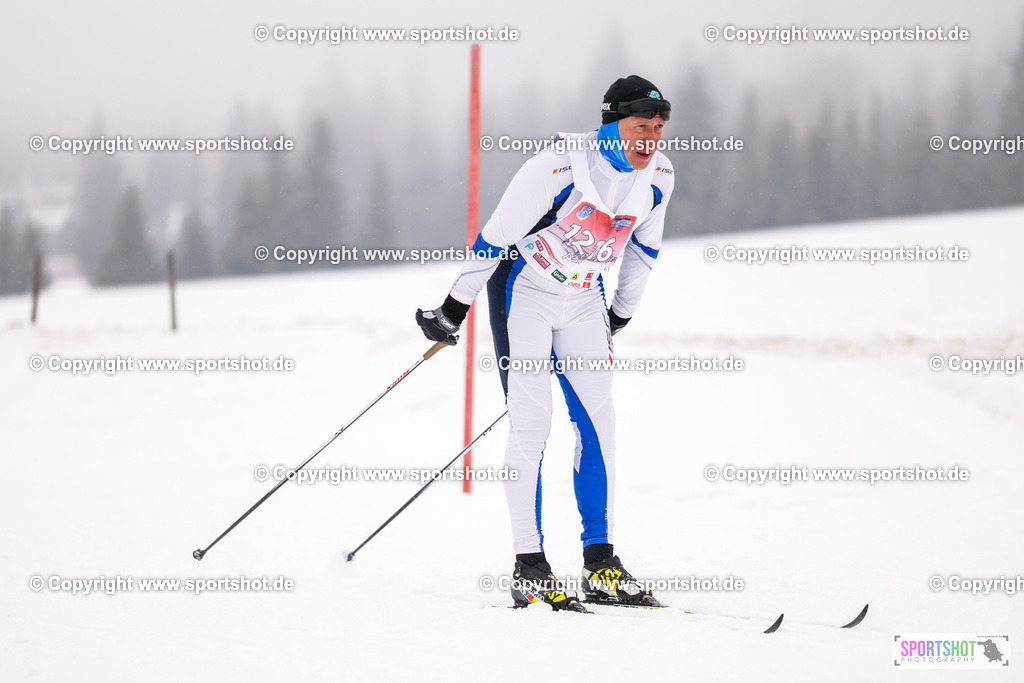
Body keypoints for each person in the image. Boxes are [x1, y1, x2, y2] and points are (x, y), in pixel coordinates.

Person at [417, 75, 673, 612]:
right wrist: (453, 309)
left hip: (583, 298)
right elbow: (494, 237)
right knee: (532, 424)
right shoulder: (555, 168)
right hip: (524, 291)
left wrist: (619, 316)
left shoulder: (660, 176)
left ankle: (600, 564)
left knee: (599, 425)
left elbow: (643, 252)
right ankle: (530, 567)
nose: (649, 138)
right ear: (611, 124)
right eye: (639, 126)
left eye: (658, 127)